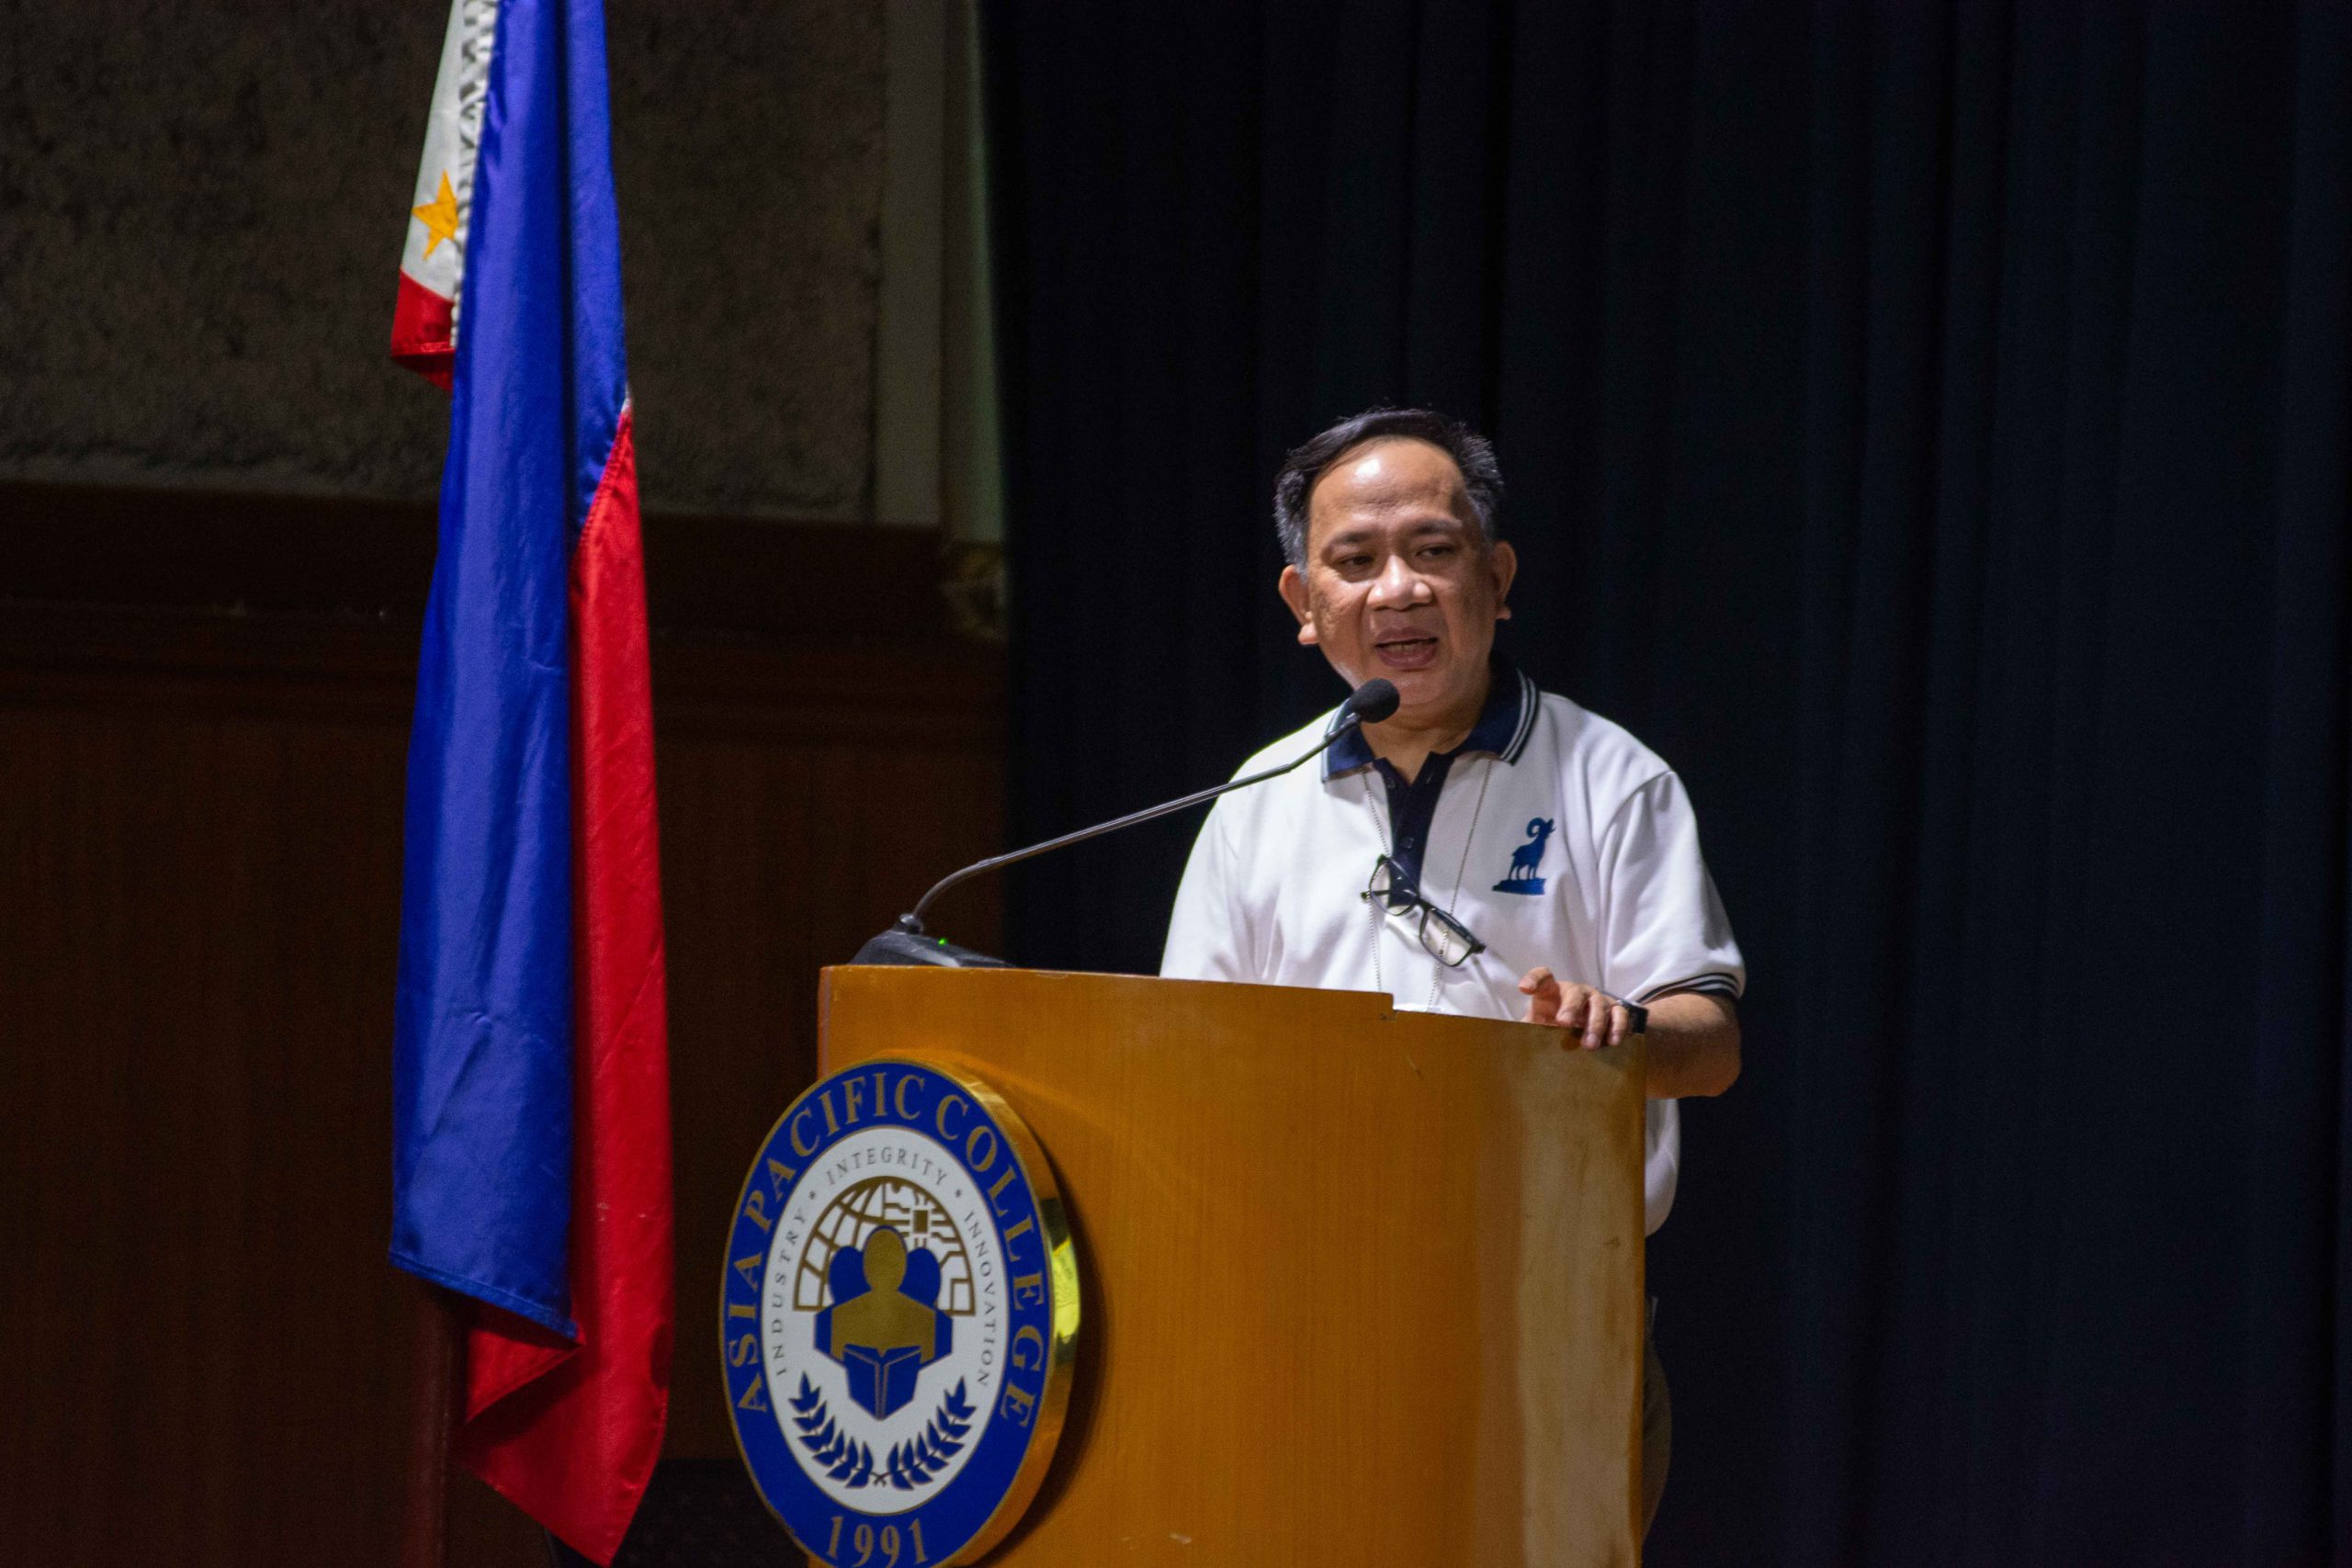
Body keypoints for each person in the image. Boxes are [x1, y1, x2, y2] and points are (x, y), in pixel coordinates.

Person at [1159, 407, 1744, 1538]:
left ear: (1497, 575)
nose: (1398, 590)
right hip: (1302, 1324)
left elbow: (1709, 1047)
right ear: (1303, 604)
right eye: (1355, 561)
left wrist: (1620, 1033)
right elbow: (1190, 1068)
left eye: (1433, 551)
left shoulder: (1612, 781)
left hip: (1549, 1319)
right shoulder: (1255, 801)